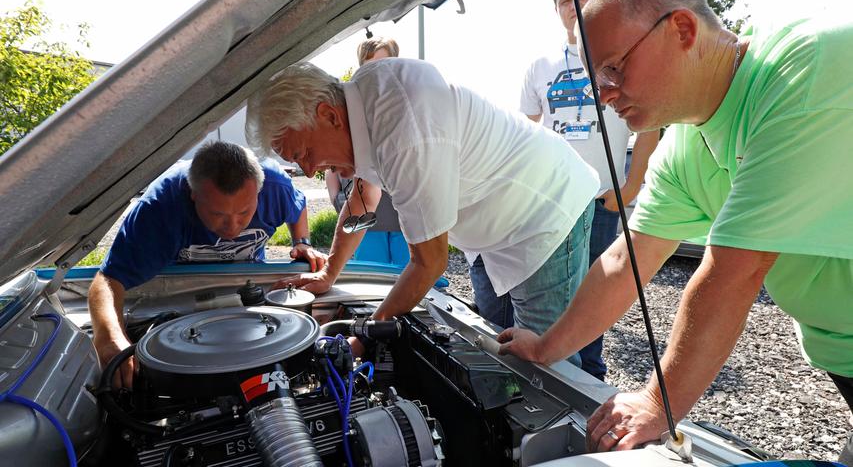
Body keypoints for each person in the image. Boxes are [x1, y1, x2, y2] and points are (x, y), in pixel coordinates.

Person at [497, 0, 853, 460]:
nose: (603, 95)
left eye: (613, 68)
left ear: (682, 29)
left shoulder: (806, 72)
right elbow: (626, 261)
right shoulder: (685, 147)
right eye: (594, 78)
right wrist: (544, 349)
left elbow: (733, 273)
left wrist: (656, 401)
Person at [245, 59, 599, 354]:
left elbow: (429, 261)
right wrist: (328, 273)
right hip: (494, 228)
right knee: (494, 348)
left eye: (303, 153)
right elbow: (364, 198)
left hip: (543, 213)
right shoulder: (363, 100)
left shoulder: (404, 130)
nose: (308, 170)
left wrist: (368, 336)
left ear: (329, 116)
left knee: (543, 362)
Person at [471, 0, 660, 381]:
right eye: (564, 1)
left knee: (594, 297)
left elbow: (649, 127)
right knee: (555, 301)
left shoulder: (620, 57)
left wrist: (630, 187)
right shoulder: (540, 66)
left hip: (599, 200)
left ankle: (589, 380)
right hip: (551, 204)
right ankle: (546, 378)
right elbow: (524, 132)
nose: (575, 5)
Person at [88, 140, 327, 389]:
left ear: (259, 191)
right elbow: (106, 280)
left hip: (247, 288)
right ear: (193, 193)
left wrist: (302, 242)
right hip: (183, 295)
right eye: (218, 214)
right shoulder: (159, 208)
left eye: (244, 213)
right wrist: (109, 337)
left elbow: (297, 206)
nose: (233, 226)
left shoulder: (275, 185)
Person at [325, 36, 409, 266]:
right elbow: (332, 159)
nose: (378, 72)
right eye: (369, 66)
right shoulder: (350, 107)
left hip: (404, 218)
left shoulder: (407, 105)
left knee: (412, 281)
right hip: (366, 220)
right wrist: (336, 198)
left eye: (384, 63)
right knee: (373, 280)